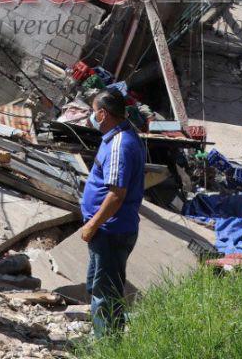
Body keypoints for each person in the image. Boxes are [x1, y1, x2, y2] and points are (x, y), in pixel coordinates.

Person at [79, 88, 146, 335]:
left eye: (93, 112)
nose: (91, 117)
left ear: (103, 114)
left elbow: (116, 195)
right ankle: (104, 338)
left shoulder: (120, 144)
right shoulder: (120, 137)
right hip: (108, 231)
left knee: (105, 295)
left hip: (111, 231)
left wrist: (91, 225)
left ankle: (108, 344)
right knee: (98, 288)